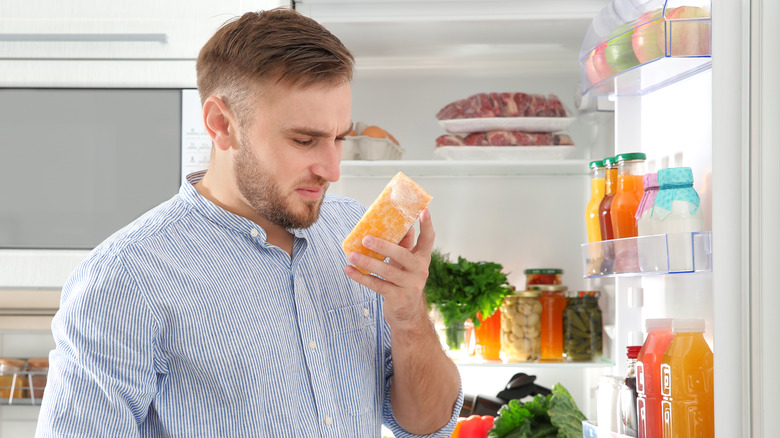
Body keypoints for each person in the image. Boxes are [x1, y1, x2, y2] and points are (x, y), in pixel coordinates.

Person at [35, 8, 462, 438]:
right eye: (303, 139)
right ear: (222, 124)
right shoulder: (127, 278)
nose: (332, 169)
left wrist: (409, 317)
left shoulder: (354, 233)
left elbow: (427, 426)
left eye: (339, 138)